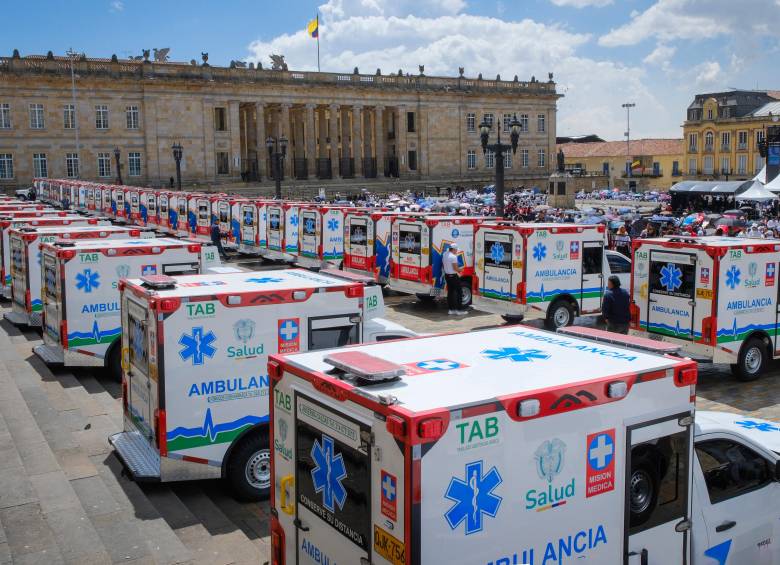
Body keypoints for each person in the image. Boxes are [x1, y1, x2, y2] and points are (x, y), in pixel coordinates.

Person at [443, 242, 466, 316]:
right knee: (459, 292)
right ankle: (459, 310)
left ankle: (451, 310)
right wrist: (461, 269)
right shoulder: (453, 257)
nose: (456, 251)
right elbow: (455, 268)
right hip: (453, 276)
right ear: (453, 249)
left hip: (447, 276)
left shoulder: (445, 254)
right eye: (456, 250)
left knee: (450, 293)